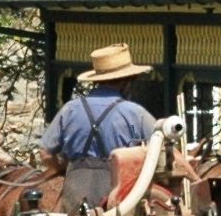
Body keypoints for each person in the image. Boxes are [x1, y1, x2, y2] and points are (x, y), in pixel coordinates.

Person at [40, 44, 162, 207]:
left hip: (75, 189)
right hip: (118, 193)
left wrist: (62, 167)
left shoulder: (70, 109)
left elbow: (45, 154)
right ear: (126, 82)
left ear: (98, 80)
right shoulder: (135, 113)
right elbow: (160, 151)